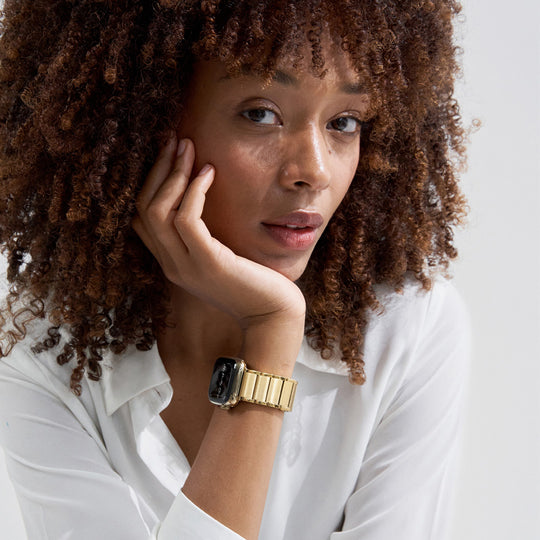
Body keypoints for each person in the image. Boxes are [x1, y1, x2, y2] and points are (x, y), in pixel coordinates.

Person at [0, 1, 471, 539]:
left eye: (344, 122)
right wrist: (271, 333)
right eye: (260, 114)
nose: (314, 171)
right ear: (145, 118)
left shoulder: (406, 329)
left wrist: (271, 324)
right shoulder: (41, 356)